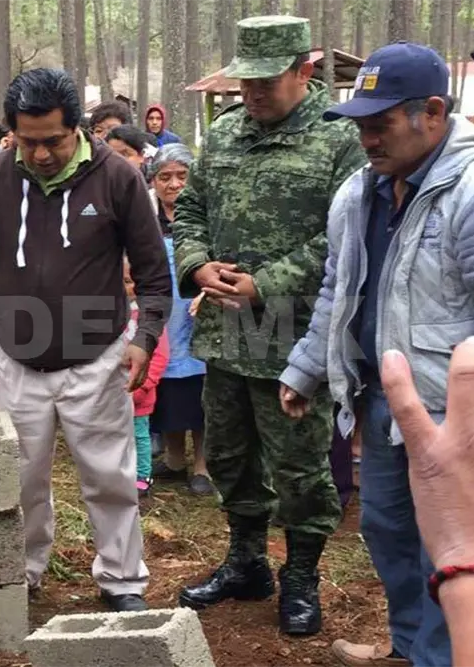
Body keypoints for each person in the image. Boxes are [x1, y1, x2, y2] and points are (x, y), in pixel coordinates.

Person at [172, 16, 366, 636]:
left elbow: (344, 240)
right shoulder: (225, 134)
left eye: (265, 81)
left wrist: (268, 282)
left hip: (297, 335)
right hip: (227, 335)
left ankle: (301, 576)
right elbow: (190, 210)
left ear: (303, 72)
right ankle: (247, 562)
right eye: (244, 80)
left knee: (300, 469)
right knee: (230, 457)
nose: (250, 93)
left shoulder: (340, 141)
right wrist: (198, 265)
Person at [280, 42, 469, 666]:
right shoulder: (359, 194)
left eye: (380, 124)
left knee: (446, 545)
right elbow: (340, 289)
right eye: (360, 125)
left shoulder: (467, 193)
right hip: (380, 402)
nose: (366, 139)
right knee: (385, 529)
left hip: (450, 411)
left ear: (433, 113)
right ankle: (411, 647)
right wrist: (307, 366)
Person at [0, 68, 172, 612]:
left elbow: (152, 274)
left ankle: (122, 580)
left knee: (110, 478)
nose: (41, 153)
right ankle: (23, 571)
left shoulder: (117, 180)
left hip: (97, 360)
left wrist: (144, 338)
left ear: (76, 126)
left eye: (53, 139)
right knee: (20, 480)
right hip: (17, 361)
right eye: (27, 141)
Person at [383, 341, 474, 667]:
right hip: (391, 396)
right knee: (385, 525)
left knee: (431, 549)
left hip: (447, 394)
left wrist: (462, 558)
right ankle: (407, 648)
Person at [144, 144, 212, 496]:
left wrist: (207, 292)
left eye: (182, 177)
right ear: (153, 181)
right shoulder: (145, 217)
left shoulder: (207, 215)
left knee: (196, 388)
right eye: (165, 177)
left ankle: (201, 464)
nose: (173, 185)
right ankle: (173, 458)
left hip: (196, 311)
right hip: (159, 313)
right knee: (166, 385)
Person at [123, 258, 170, 498]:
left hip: (140, 391)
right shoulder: (106, 313)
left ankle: (143, 475)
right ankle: (120, 474)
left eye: (129, 282)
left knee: (139, 434)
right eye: (119, 282)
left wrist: (143, 387)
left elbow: (160, 356)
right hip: (115, 392)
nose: (124, 288)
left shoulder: (147, 318)